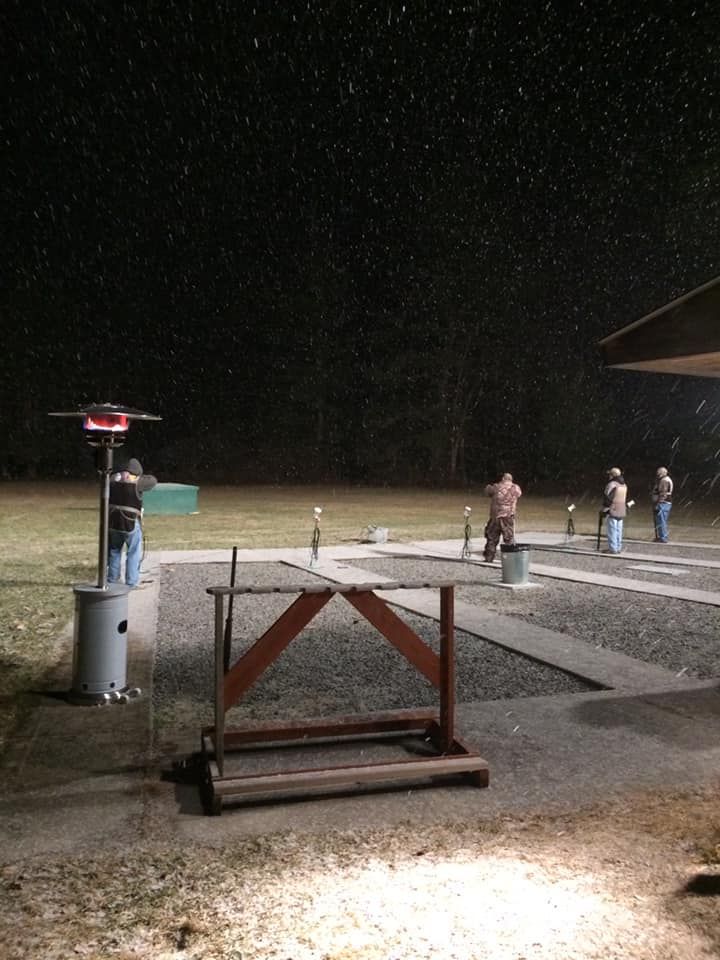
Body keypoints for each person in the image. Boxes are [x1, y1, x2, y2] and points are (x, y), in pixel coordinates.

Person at [108, 457, 157, 588]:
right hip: (129, 522)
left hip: (113, 522)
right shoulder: (137, 482)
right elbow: (153, 481)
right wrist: (136, 477)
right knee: (133, 552)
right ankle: (131, 582)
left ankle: (112, 579)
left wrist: (121, 475)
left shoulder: (112, 479)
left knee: (114, 550)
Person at [483, 472, 522, 562]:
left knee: (492, 537)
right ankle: (511, 559)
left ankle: (489, 557)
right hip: (508, 516)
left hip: (496, 517)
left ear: (503, 479)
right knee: (509, 538)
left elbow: (487, 491)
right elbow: (519, 494)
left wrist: (489, 485)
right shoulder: (516, 488)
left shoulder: (496, 487)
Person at [601, 467, 628, 554]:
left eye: (610, 474)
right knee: (619, 530)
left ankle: (613, 548)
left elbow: (608, 498)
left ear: (612, 475)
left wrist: (604, 510)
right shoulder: (624, 485)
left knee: (612, 530)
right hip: (621, 509)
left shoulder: (612, 484)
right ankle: (618, 547)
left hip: (613, 509)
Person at [651, 466, 673, 543]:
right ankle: (661, 536)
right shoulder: (664, 480)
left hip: (663, 503)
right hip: (665, 503)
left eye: (658, 472)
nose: (657, 474)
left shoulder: (664, 481)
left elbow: (663, 493)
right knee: (661, 520)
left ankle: (663, 537)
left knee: (661, 520)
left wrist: (658, 503)